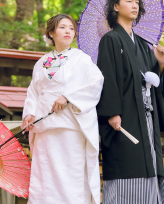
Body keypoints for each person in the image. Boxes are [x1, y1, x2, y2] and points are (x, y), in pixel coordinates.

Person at [96, 0, 164, 204]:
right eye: (129, 1)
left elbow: (154, 81)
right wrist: (112, 112)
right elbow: (108, 76)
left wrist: (160, 63)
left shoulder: (141, 44)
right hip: (125, 116)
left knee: (150, 161)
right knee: (128, 162)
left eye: (137, 2)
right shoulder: (111, 40)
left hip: (146, 115)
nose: (135, 5)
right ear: (116, 6)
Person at [22, 14, 104, 204]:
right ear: (51, 33)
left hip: (69, 126)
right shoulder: (41, 62)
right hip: (44, 126)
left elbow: (96, 82)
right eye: (62, 27)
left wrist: (68, 97)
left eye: (71, 28)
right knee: (44, 177)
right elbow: (34, 91)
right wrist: (29, 113)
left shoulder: (81, 58)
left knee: (70, 175)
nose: (68, 31)